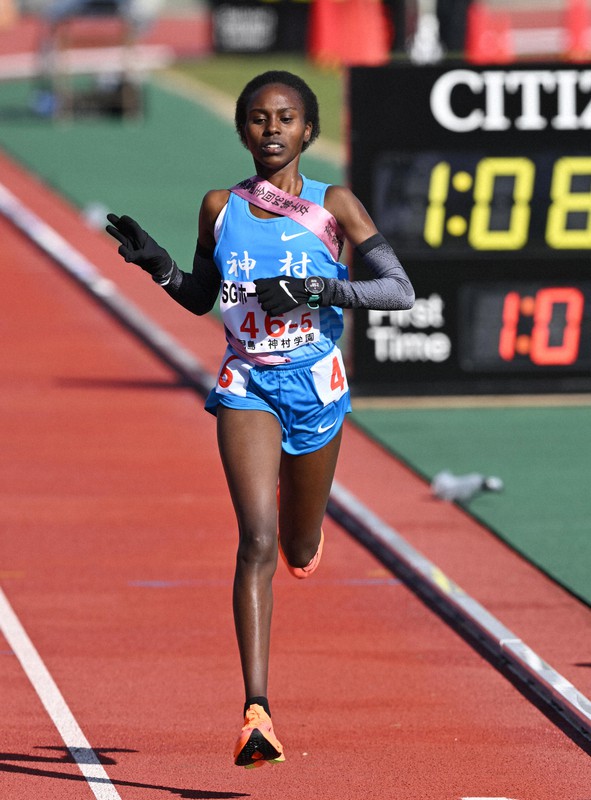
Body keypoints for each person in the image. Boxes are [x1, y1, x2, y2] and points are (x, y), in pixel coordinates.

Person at [106, 70, 415, 769]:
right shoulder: (220, 206)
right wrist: (157, 268)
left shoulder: (333, 204)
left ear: (307, 130)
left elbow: (398, 289)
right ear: (241, 130)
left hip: (315, 385)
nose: (270, 128)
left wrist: (313, 285)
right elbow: (200, 297)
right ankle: (256, 711)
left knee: (297, 549)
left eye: (285, 118)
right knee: (255, 538)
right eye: (256, 118)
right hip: (246, 381)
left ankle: (302, 526)